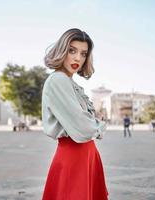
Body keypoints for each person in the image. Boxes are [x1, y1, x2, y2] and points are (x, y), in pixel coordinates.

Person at [41, 28, 108, 200]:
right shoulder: (58, 80)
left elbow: (84, 122)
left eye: (83, 53)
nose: (78, 58)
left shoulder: (69, 82)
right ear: (62, 50)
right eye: (72, 51)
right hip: (74, 156)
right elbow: (83, 127)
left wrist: (92, 122)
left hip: (85, 156)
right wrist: (99, 125)